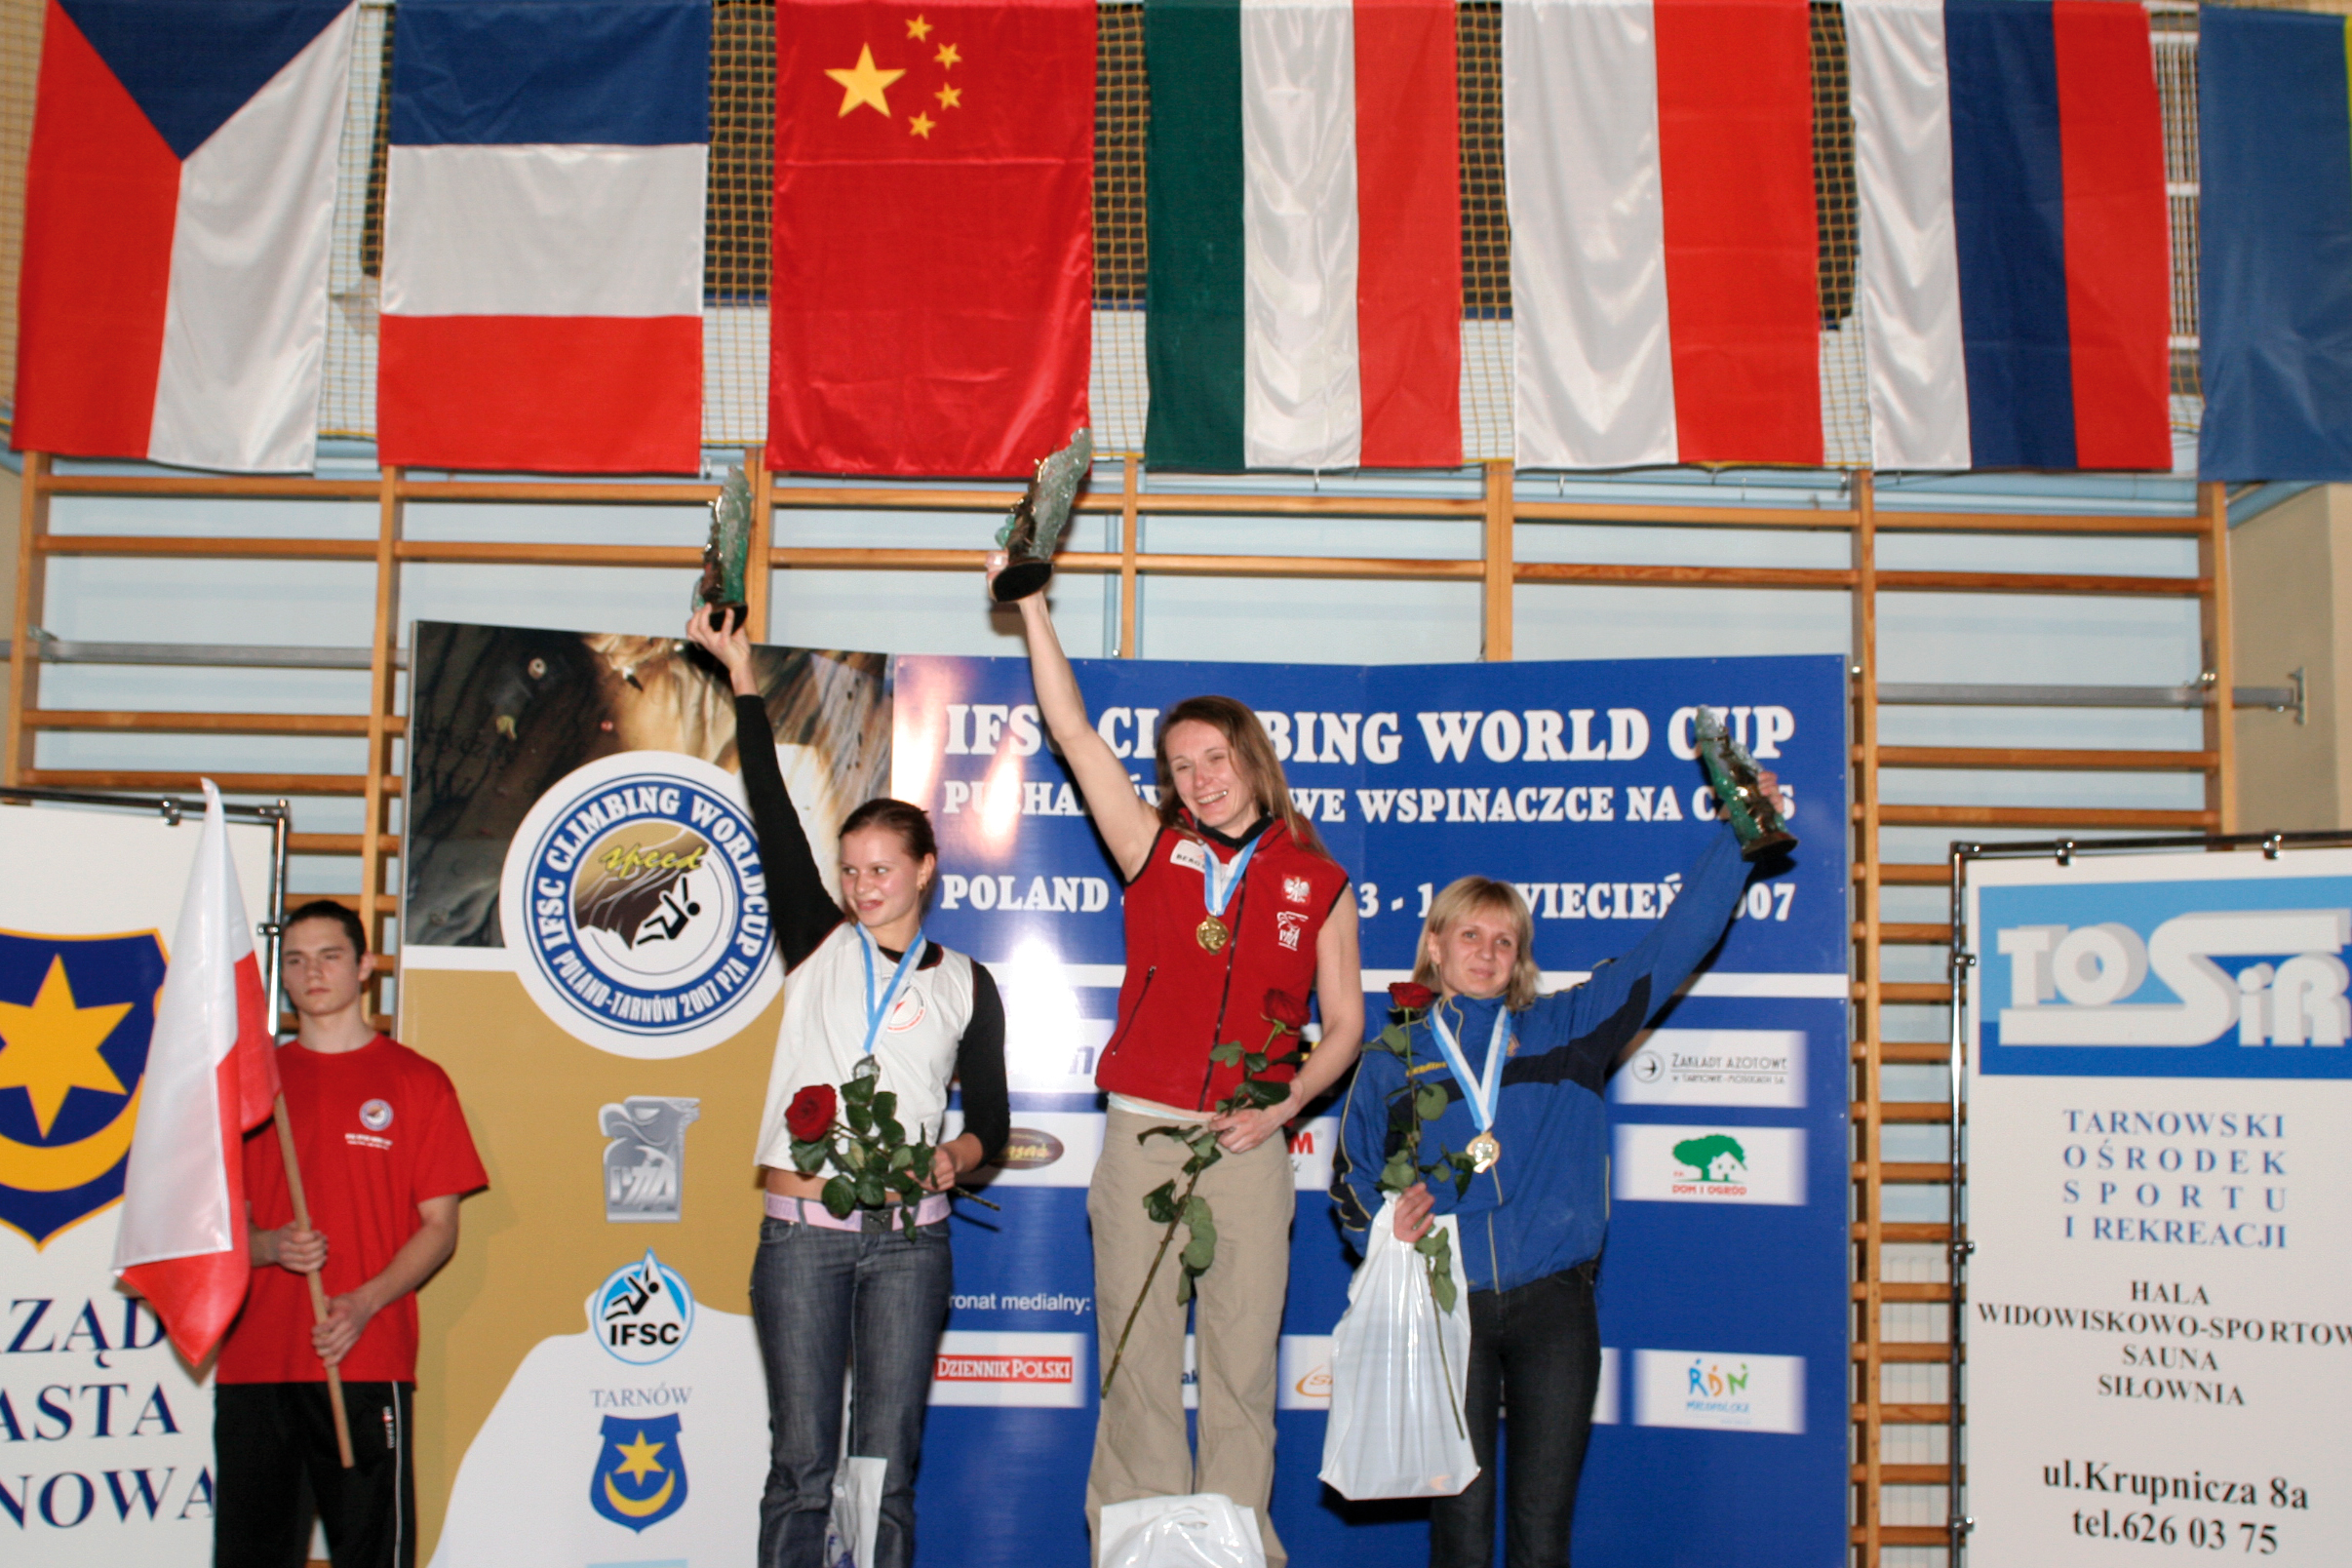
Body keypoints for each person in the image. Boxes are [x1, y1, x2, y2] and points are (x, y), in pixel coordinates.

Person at [990, 557, 1365, 1568]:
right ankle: (1140, 1552)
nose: (1199, 778)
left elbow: (1344, 1025)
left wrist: (1284, 1106)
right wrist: (1031, 607)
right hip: (1143, 1135)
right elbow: (1073, 733)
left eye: (1214, 758)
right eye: (1181, 765)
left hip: (1249, 1145)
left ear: (1251, 759)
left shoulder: (1319, 880)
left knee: (1242, 1370)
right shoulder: (1151, 849)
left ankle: (1236, 1554)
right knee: (1138, 1364)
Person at [1333, 789, 1785, 1568]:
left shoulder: (1570, 1029)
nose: (1486, 953)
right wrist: (1382, 1223)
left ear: (1519, 959)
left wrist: (1739, 839)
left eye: (1504, 941)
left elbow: (1674, 942)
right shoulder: (1390, 1060)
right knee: (1460, 1537)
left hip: (1554, 1305)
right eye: (1469, 934)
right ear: (1434, 946)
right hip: (1447, 1303)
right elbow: (1351, 1179)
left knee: (1542, 1536)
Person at [685, 610, 1009, 1568]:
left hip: (911, 1245)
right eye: (851, 870)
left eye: (882, 870)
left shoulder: (968, 983)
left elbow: (992, 1123)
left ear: (925, 871)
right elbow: (770, 806)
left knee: (886, 1467)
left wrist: (953, 1157)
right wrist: (744, 677)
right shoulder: (819, 944)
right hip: (802, 1241)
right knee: (801, 1463)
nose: (864, 886)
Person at [216, 901, 488, 1568]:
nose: (313, 972)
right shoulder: (251, 1087)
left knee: (371, 1555)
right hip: (258, 1363)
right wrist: (270, 1247)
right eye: (297, 960)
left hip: (365, 1358)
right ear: (283, 975)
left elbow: (440, 1228)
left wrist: (364, 1303)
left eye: (330, 956)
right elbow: (214, 1227)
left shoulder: (417, 1081)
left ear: (365, 966)